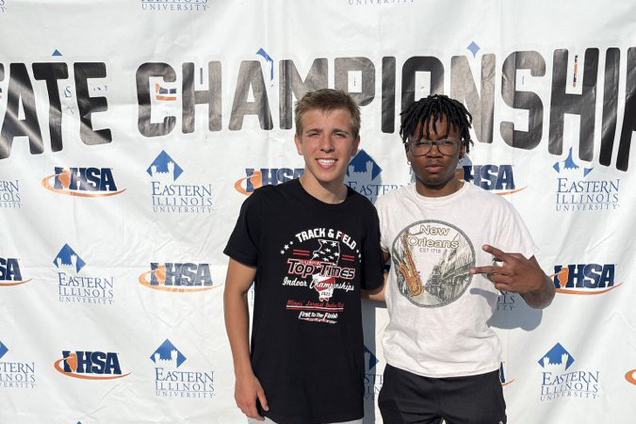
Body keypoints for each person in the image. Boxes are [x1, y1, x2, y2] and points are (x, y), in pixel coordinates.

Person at [373, 94, 555, 424]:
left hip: (474, 376)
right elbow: (366, 278)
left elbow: (543, 297)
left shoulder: (494, 211)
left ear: (463, 147)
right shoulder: (387, 209)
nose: (433, 151)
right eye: (423, 141)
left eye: (445, 142)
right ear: (408, 149)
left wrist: (537, 284)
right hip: (405, 376)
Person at [223, 89, 384, 424]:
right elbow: (235, 292)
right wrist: (243, 374)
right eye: (314, 134)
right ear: (299, 142)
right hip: (274, 391)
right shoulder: (265, 207)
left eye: (339, 134)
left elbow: (371, 287)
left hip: (341, 395)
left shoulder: (363, 213)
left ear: (354, 144)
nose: (326, 145)